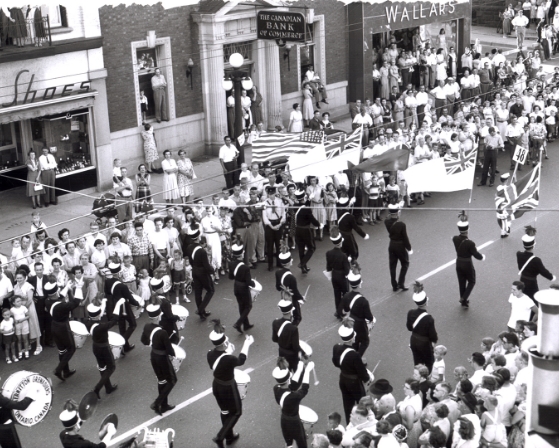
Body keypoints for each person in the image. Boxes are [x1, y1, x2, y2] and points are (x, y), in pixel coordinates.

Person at [207, 319, 254, 448]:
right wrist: (247, 344)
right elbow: (241, 360)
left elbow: (217, 364)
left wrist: (227, 353)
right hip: (228, 386)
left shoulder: (210, 354)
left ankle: (229, 437)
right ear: (224, 342)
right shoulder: (228, 358)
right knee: (237, 412)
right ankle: (221, 436)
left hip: (216, 385)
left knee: (224, 411)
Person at [333, 318, 372, 425]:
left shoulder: (336, 347)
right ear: (351, 338)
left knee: (347, 406)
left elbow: (336, 363)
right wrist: (368, 378)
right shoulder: (354, 354)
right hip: (354, 383)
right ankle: (363, 423)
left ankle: (349, 424)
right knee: (362, 404)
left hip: (343, 379)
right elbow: (363, 374)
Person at [140, 303, 177, 415]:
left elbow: (143, 340)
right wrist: (173, 354)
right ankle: (157, 402)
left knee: (162, 380)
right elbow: (169, 348)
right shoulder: (162, 332)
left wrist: (152, 343)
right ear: (157, 317)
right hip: (162, 358)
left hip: (153, 356)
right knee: (172, 381)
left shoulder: (147, 326)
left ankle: (164, 406)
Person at [273, 356, 315, 448]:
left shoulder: (276, 388)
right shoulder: (293, 397)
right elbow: (304, 389)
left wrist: (300, 368)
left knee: (289, 443)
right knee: (302, 443)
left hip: (284, 420)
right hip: (294, 422)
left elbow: (292, 384)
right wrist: (307, 371)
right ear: (288, 379)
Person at [45, 281, 82, 381]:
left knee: (62, 351)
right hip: (63, 328)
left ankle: (66, 372)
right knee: (71, 349)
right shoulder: (61, 306)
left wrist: (67, 287)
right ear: (56, 291)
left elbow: (59, 297)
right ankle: (58, 369)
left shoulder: (47, 301)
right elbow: (76, 302)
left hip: (54, 327)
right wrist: (79, 287)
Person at [85, 299, 118, 399]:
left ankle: (108, 388)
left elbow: (97, 315)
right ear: (99, 315)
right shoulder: (101, 327)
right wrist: (119, 304)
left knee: (102, 368)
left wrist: (103, 303)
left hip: (95, 347)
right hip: (104, 348)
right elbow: (115, 319)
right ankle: (97, 388)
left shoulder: (87, 322)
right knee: (111, 367)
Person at [104, 263, 140, 353]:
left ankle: (126, 347)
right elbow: (131, 299)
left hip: (113, 306)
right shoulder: (122, 286)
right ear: (119, 273)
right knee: (133, 324)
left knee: (122, 326)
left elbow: (107, 293)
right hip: (124, 307)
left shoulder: (107, 281)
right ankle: (121, 344)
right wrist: (138, 303)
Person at [338, 272, 374, 361]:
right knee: (365, 342)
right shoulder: (363, 301)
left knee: (355, 341)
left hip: (351, 321)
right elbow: (369, 317)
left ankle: (354, 356)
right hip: (361, 324)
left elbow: (343, 310)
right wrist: (371, 322)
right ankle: (357, 359)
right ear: (359, 284)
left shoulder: (346, 296)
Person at [452, 212, 485, 308]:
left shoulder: (455, 239)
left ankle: (464, 301)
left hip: (458, 262)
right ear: (467, 230)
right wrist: (482, 257)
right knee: (471, 281)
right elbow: (476, 255)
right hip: (467, 263)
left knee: (461, 282)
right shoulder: (470, 243)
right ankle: (463, 298)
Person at [516, 226, 555, 301]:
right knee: (534, 301)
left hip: (522, 280)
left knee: (523, 299)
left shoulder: (518, 254)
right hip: (531, 283)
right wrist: (551, 277)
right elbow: (543, 271)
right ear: (533, 245)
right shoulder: (536, 260)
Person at [406, 282, 438, 372]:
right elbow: (433, 335)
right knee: (429, 363)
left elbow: (409, 327)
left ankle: (418, 377)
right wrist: (434, 341)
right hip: (424, 343)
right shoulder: (429, 318)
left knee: (417, 362)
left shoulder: (410, 312)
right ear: (426, 302)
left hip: (413, 340)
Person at [185, 225, 215, 320]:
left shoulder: (189, 248)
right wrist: (212, 270)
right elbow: (206, 266)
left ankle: (202, 313)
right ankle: (201, 310)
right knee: (210, 290)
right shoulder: (202, 251)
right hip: (203, 273)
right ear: (198, 237)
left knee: (198, 292)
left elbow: (190, 261)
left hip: (195, 271)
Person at [228, 240, 255, 334]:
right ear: (241, 255)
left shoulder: (231, 264)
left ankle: (246, 324)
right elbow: (248, 282)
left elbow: (230, 277)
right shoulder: (245, 267)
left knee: (241, 306)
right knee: (248, 306)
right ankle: (238, 323)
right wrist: (253, 283)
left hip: (236, 286)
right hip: (243, 288)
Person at [384, 203, 412, 291]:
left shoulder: (387, 222)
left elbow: (388, 218)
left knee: (392, 266)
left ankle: (394, 285)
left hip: (391, 244)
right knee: (405, 263)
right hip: (400, 246)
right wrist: (409, 248)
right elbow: (405, 238)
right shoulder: (401, 225)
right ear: (397, 213)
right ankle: (401, 283)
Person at [294, 189, 322, 274]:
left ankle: (304, 268)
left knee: (301, 249)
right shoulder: (307, 209)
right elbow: (312, 220)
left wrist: (309, 199)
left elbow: (304, 204)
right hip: (305, 230)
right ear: (303, 198)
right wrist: (319, 224)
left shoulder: (295, 205)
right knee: (312, 248)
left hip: (298, 230)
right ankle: (302, 264)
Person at [326, 229, 351, 319]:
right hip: (342, 277)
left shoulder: (328, 253)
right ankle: (340, 311)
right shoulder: (343, 255)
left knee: (337, 294)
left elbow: (328, 267)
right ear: (340, 242)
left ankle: (338, 310)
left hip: (334, 275)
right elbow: (347, 270)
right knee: (345, 294)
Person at [276, 250, 305, 326]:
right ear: (288, 262)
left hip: (283, 296)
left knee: (287, 316)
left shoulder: (278, 272)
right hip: (292, 298)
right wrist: (301, 298)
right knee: (297, 317)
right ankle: (291, 331)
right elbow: (295, 292)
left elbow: (278, 288)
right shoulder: (291, 277)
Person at [336, 196, 369, 261]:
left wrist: (350, 202)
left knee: (343, 251)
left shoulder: (338, 213)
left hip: (340, 235)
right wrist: (364, 235)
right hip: (348, 237)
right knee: (354, 252)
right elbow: (356, 228)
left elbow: (345, 208)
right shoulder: (350, 216)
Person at [272, 299, 301, 373]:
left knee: (285, 374)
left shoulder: (275, 322)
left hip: (281, 353)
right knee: (295, 375)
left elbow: (274, 339)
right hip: (292, 356)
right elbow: (295, 347)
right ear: (291, 312)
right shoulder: (293, 328)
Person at [263, 186, 286, 271]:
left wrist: (280, 224)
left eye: (272, 194)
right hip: (270, 225)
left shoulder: (279, 201)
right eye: (269, 194)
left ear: (275, 193)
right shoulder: (265, 203)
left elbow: (283, 213)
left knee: (279, 244)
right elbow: (264, 216)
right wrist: (271, 226)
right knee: (269, 245)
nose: (271, 195)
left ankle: (279, 263)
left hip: (278, 223)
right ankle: (270, 264)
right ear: (268, 194)